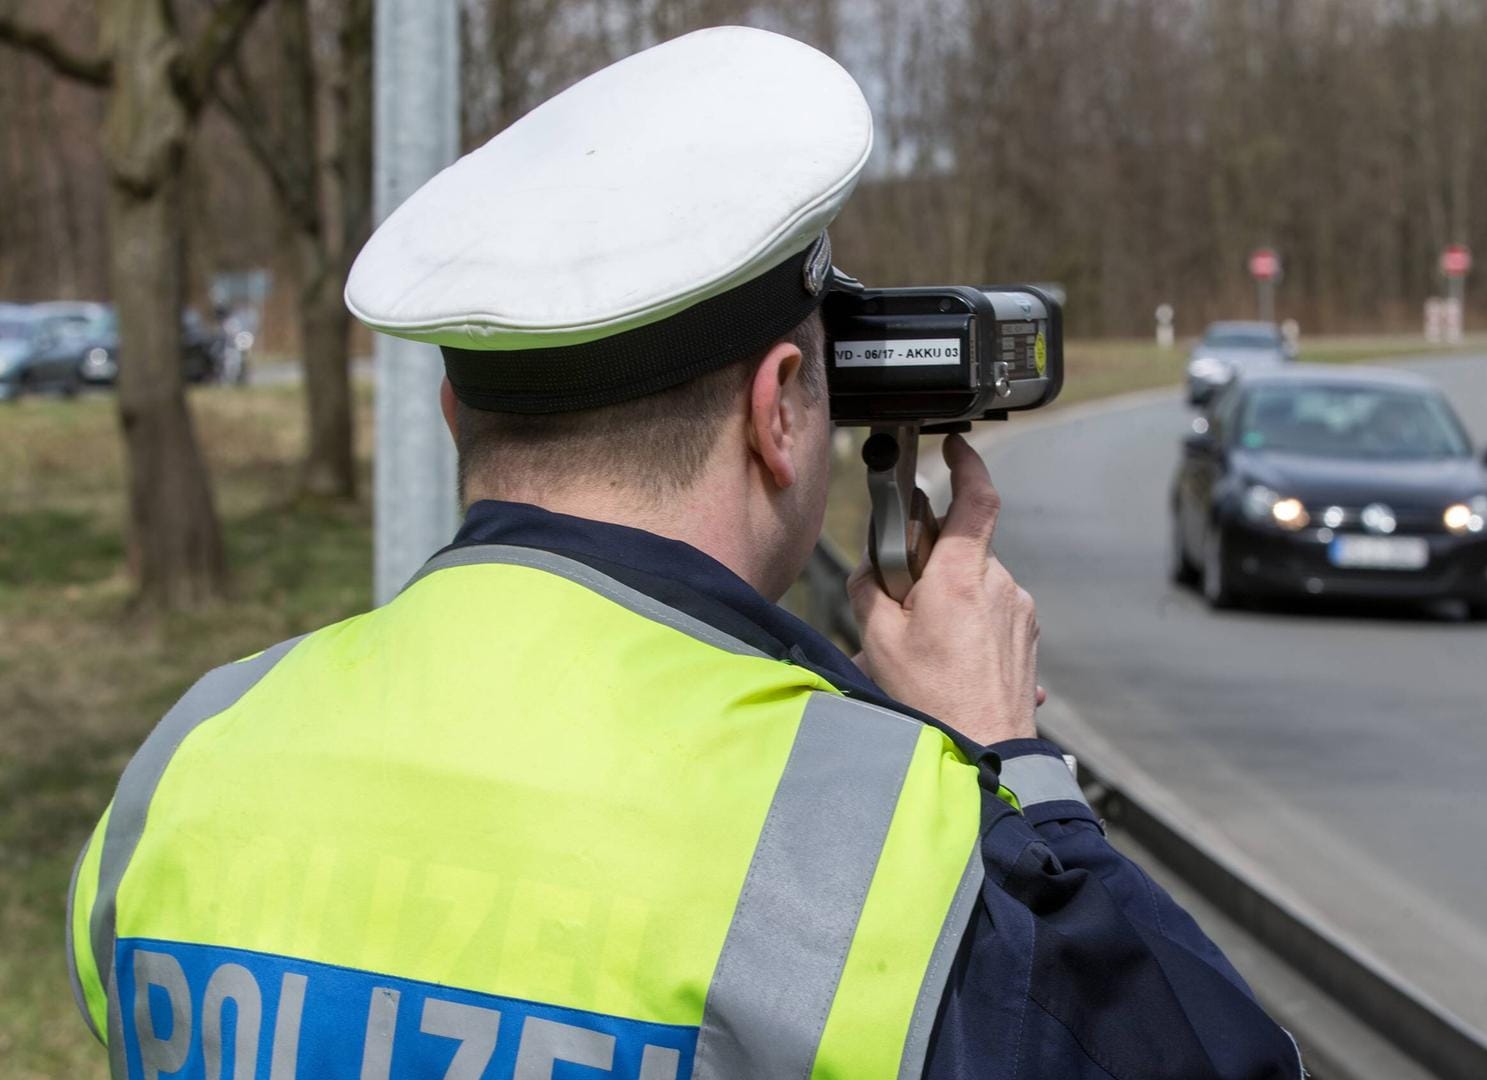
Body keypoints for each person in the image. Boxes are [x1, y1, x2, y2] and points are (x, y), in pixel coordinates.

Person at [64, 26, 1302, 1080]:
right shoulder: (889, 848)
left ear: (456, 417)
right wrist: (1008, 772)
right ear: (777, 413)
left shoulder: (186, 762)